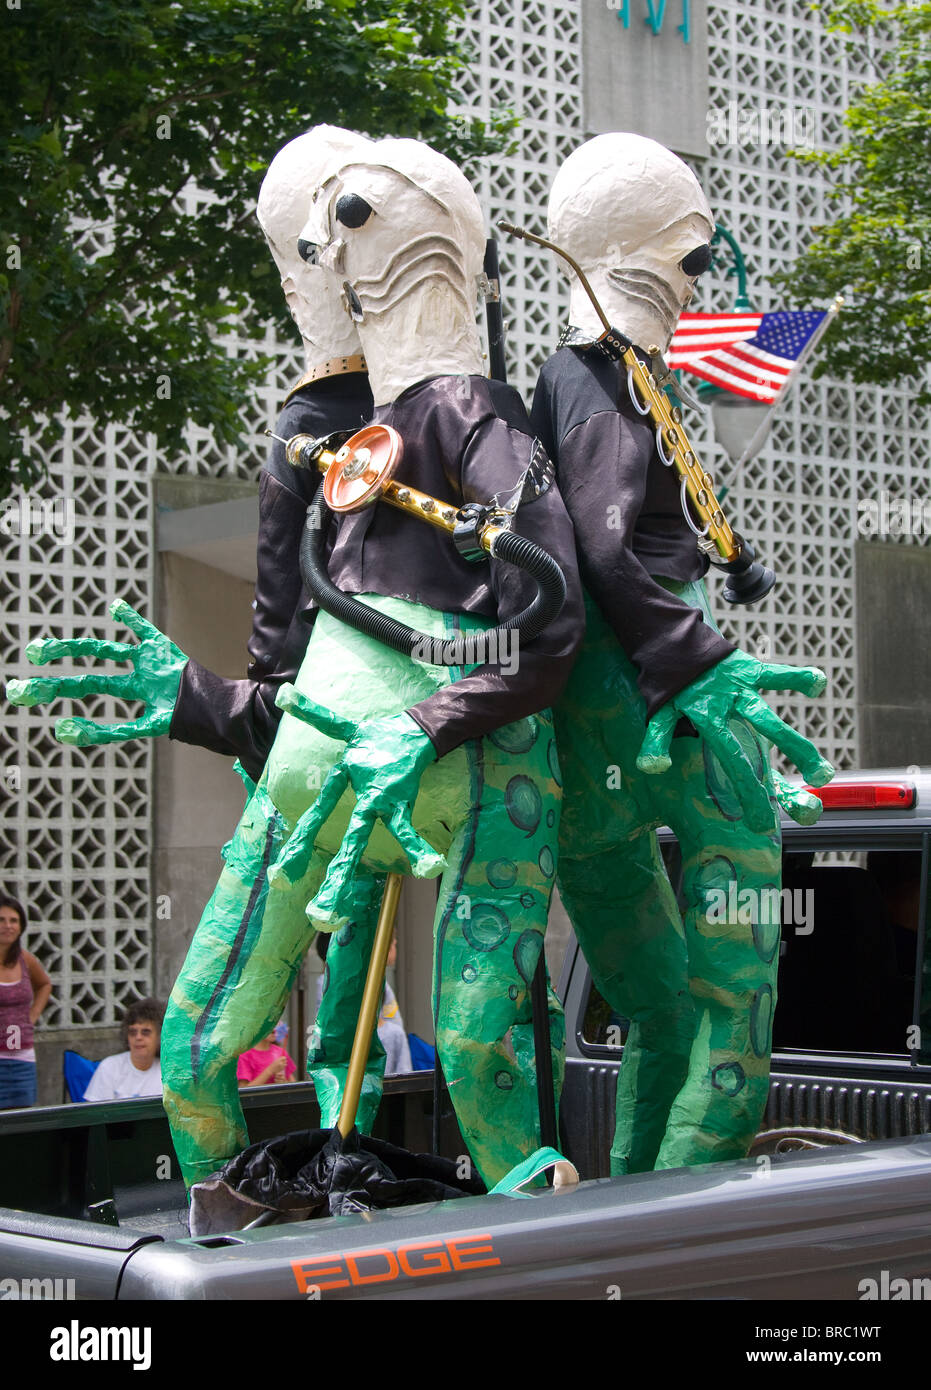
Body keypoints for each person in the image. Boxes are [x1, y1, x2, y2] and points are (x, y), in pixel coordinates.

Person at [0, 893, 52, 1109]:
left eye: (14, 920)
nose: (8, 926)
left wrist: (32, 1016)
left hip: (22, 1059)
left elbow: (44, 985)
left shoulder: (25, 959)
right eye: (1, 920)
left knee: (21, 1125)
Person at [83, 997, 165, 1102]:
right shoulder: (109, 1067)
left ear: (159, 1036)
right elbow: (94, 1113)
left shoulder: (166, 1071)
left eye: (146, 1032)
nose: (138, 1037)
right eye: (133, 1032)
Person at [237, 1022, 297, 1087]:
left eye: (276, 1023)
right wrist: (270, 1070)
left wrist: (284, 1082)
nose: (275, 1028)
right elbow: (243, 1090)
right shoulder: (244, 1055)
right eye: (270, 1023)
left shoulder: (281, 1052)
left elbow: (294, 1085)